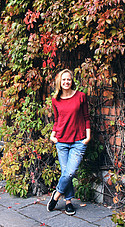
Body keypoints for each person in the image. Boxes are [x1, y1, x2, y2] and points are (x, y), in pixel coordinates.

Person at [46, 69, 91, 216]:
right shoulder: (56, 100)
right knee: (67, 173)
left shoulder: (81, 96)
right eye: (64, 80)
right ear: (60, 82)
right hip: (61, 141)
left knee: (70, 172)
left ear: (72, 81)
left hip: (79, 141)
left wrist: (88, 137)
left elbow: (86, 117)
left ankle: (56, 195)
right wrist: (53, 136)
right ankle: (68, 202)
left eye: (69, 79)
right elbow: (58, 120)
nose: (66, 82)